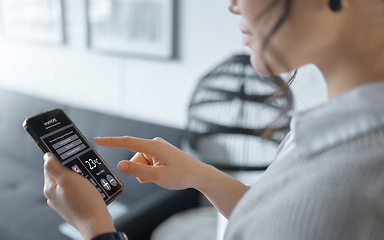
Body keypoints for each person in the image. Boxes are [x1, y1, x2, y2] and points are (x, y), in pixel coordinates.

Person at [42, 0, 384, 239]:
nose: (232, 4)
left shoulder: (347, 194)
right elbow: (272, 222)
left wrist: (95, 228)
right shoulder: (333, 127)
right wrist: (199, 175)